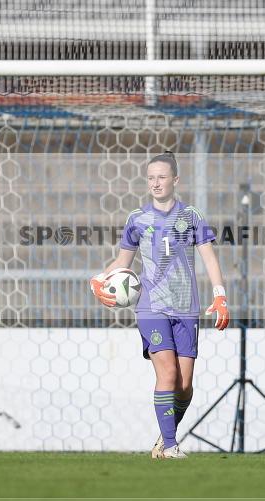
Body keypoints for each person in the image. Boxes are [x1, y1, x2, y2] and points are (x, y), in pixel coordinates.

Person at [90, 151, 229, 459]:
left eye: (162, 177)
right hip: (151, 307)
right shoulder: (137, 219)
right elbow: (123, 261)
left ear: (175, 180)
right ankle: (170, 445)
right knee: (167, 374)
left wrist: (220, 295)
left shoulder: (191, 216)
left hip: (186, 307)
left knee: (184, 385)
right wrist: (99, 279)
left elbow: (209, 258)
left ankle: (164, 440)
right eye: (151, 177)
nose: (155, 183)